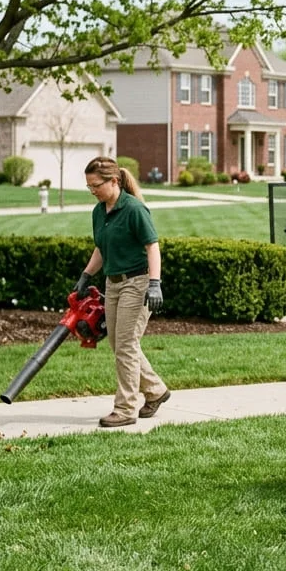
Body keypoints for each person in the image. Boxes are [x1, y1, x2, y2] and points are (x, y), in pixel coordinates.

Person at [75, 156, 170, 428]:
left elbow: (153, 246)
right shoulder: (99, 211)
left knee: (126, 346)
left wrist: (155, 283)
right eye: (89, 186)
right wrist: (85, 275)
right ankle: (155, 390)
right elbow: (102, 248)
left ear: (113, 181)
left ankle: (126, 408)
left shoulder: (134, 209)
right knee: (120, 345)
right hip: (112, 283)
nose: (92, 190)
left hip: (137, 283)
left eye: (96, 185)